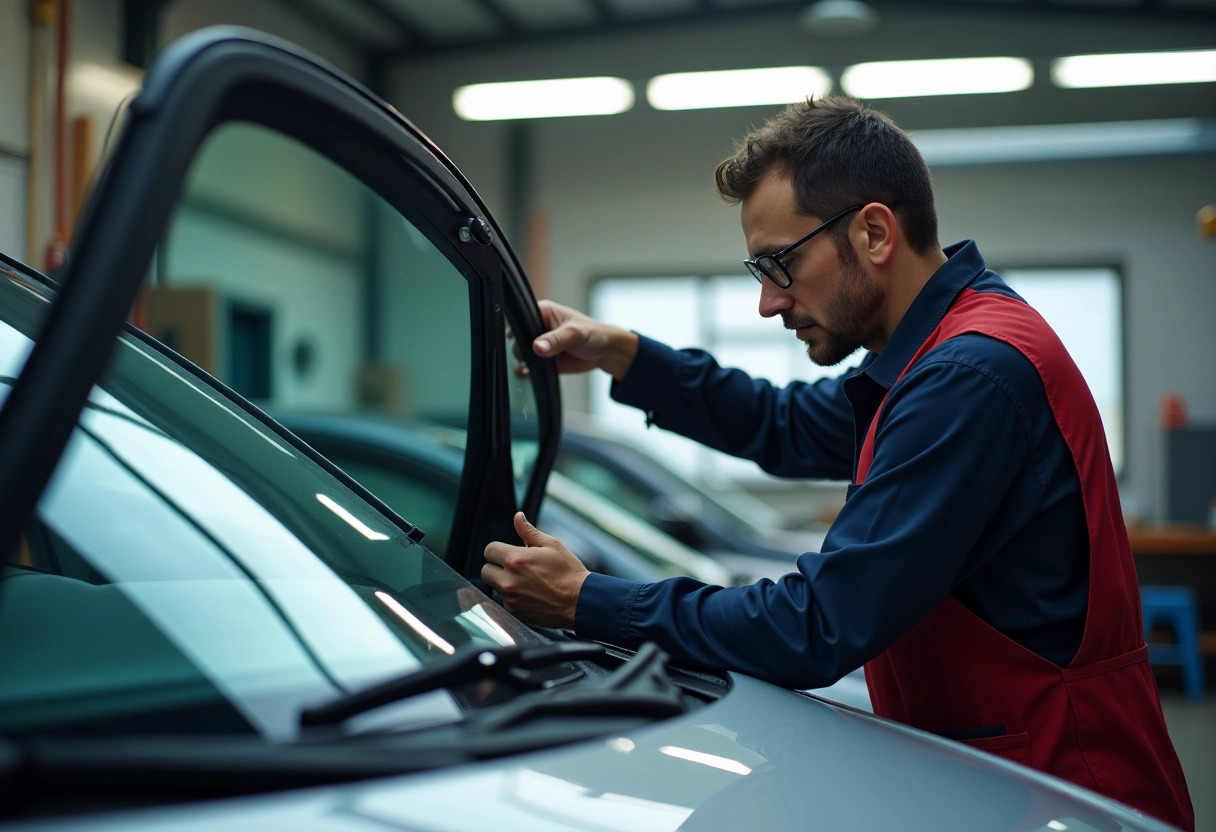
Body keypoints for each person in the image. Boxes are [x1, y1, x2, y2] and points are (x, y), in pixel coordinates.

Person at [480, 97, 1193, 830]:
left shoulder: (967, 377)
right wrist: (622, 352)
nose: (767, 302)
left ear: (875, 232)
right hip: (1003, 780)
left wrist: (590, 600)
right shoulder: (931, 354)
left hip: (1060, 789)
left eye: (782, 263)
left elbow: (819, 624)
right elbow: (781, 422)